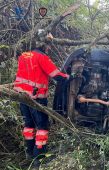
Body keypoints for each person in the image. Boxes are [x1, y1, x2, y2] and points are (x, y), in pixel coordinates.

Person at [13, 31, 69, 163]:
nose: (49, 48)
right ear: (43, 44)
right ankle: (39, 157)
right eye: (48, 45)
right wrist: (69, 77)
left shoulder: (24, 55)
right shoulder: (42, 57)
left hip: (21, 96)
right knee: (42, 126)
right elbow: (56, 75)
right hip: (36, 97)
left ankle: (30, 153)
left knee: (28, 125)